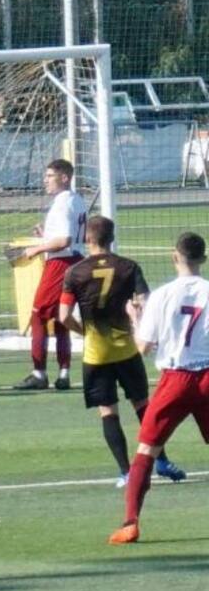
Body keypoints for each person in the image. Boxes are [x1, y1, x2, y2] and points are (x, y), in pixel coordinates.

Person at [58, 217, 185, 487]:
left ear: (88, 239)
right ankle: (161, 461)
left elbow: (63, 315)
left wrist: (84, 331)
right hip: (127, 350)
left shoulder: (75, 272)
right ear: (112, 238)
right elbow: (146, 303)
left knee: (108, 411)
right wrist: (136, 321)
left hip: (96, 354)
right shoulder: (128, 267)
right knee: (143, 406)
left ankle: (126, 473)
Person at [109, 232, 209, 545]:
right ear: (203, 260)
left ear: (174, 256)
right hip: (207, 377)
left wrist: (135, 318)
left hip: (175, 380)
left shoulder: (162, 295)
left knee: (146, 452)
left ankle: (130, 524)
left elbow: (142, 347)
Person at [14, 159, 87, 391]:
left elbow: (64, 240)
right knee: (60, 317)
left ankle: (39, 373)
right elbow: (72, 236)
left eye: (49, 176)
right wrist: (45, 236)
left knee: (38, 315)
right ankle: (64, 373)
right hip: (76, 260)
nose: (45, 180)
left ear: (64, 178)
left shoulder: (63, 203)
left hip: (61, 264)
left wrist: (36, 248)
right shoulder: (77, 200)